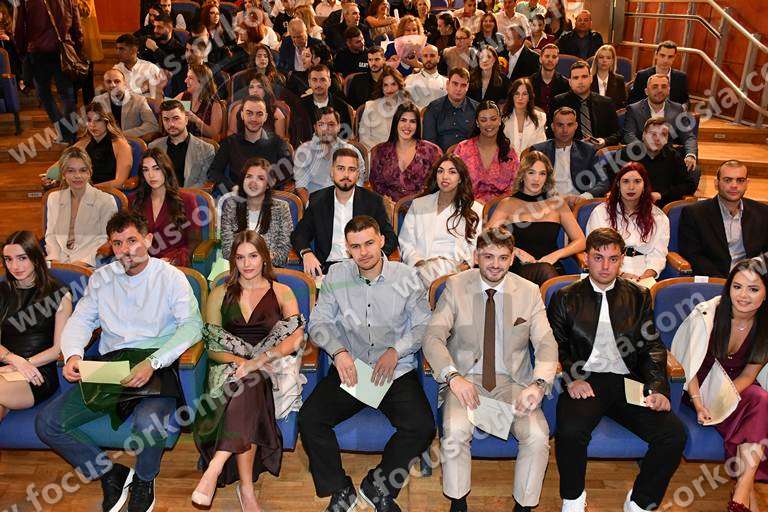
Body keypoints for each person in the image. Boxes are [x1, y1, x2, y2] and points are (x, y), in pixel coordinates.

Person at [35, 210, 203, 512]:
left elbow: (192, 326)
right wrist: (73, 353)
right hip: (111, 365)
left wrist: (153, 362)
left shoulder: (171, 278)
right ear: (111, 246)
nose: (126, 250)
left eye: (132, 240)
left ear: (148, 240)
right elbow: (81, 320)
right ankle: (110, 473)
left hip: (155, 362)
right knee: (48, 423)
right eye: (117, 243)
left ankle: (144, 479)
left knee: (148, 424)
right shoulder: (101, 278)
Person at [297, 215, 435, 512]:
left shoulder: (407, 277)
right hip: (353, 369)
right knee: (309, 419)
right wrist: (339, 352)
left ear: (382, 241)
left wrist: (396, 351)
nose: (364, 252)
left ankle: (378, 488)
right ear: (347, 249)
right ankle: (340, 489)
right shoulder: (337, 275)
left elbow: (424, 325)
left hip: (394, 371)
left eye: (369, 243)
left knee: (422, 426)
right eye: (356, 246)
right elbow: (318, 323)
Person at [547, 227, 687, 512]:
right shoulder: (565, 296)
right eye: (598, 258)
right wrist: (572, 378)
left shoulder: (638, 295)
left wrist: (658, 388)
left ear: (622, 259)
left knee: (673, 434)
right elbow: (555, 345)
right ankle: (574, 499)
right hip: (586, 379)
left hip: (627, 381)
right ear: (586, 258)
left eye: (613, 259)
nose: (605, 266)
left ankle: (640, 502)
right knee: (570, 431)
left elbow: (652, 346)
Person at [424, 224, 556, 512]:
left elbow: (546, 343)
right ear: (476, 256)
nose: (495, 264)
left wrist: (538, 385)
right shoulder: (456, 286)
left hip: (513, 384)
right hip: (466, 381)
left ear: (512, 258)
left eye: (503, 257)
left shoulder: (529, 292)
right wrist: (453, 377)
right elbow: (433, 337)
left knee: (537, 435)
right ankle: (458, 502)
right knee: (455, 429)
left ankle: (524, 506)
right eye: (488, 257)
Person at [191, 231, 305, 510]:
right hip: (227, 369)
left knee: (252, 380)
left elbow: (296, 338)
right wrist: (241, 362)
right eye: (240, 257)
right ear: (233, 261)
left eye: (253, 256)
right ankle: (246, 489)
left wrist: (260, 359)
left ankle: (215, 467)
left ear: (264, 257)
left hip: (269, 366)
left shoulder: (283, 292)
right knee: (249, 384)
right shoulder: (219, 294)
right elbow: (213, 347)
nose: (247, 263)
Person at [671, 258, 768, 512]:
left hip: (733, 388)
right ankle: (746, 494)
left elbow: (749, 374)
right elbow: (687, 364)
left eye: (753, 289)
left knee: (761, 400)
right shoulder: (708, 314)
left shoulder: (765, 326)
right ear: (728, 288)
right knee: (756, 418)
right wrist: (700, 404)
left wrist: (723, 399)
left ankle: (742, 490)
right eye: (737, 287)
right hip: (696, 387)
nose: (743, 296)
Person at [0, 231, 73, 421]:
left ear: (35, 257)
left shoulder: (59, 294)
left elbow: (58, 350)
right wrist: (14, 360)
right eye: (8, 259)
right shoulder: (2, 291)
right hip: (6, 365)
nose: (15, 266)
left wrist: (24, 364)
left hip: (38, 371)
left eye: (22, 258)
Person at [291, 148, 397, 276]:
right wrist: (306, 253)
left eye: (351, 169)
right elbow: (299, 234)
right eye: (340, 168)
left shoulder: (373, 201)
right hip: (327, 269)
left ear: (358, 174)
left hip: (362, 266)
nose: (346, 174)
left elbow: (389, 237)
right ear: (332, 172)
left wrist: (373, 259)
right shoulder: (318, 200)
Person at [487, 150, 586, 285]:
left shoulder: (557, 204)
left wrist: (555, 255)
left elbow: (581, 241)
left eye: (542, 173)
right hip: (517, 269)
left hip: (551, 266)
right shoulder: (507, 204)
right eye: (531, 172)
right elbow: (486, 239)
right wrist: (514, 251)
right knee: (546, 272)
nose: (536, 179)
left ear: (547, 177)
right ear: (522, 175)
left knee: (547, 270)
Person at [398, 154, 483, 285]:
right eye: (440, 171)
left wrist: (459, 270)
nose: (445, 176)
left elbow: (475, 247)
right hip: (420, 270)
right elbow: (406, 242)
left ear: (460, 178)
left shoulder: (474, 209)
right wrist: (419, 265)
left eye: (452, 172)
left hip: (456, 273)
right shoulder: (419, 205)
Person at [679, 160, 768, 278]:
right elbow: (693, 255)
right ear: (716, 183)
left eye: (740, 180)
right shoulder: (694, 213)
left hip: (752, 279)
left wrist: (752, 276)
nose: (734, 185)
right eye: (727, 180)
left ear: (747, 183)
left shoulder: (762, 212)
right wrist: (726, 282)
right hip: (714, 280)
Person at [586, 163, 669, 288]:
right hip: (609, 272)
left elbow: (658, 254)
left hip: (644, 273)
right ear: (618, 185)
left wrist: (646, 276)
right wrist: (621, 274)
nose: (631, 187)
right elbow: (597, 251)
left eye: (637, 181)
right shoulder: (601, 212)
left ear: (644, 185)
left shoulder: (658, 217)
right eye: (625, 181)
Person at [14, 0, 83, 144]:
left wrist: (22, 51)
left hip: (38, 51)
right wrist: (76, 48)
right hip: (63, 50)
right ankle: (70, 134)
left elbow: (18, 29)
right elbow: (77, 27)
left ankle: (64, 132)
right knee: (67, 94)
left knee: (44, 94)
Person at [44, 147, 118, 266]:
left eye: (83, 170)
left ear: (89, 173)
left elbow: (105, 240)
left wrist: (83, 263)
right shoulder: (53, 198)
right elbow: (50, 235)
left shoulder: (106, 201)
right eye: (71, 171)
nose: (77, 176)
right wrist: (55, 260)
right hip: (58, 261)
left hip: (91, 264)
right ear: (63, 174)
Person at [208, 96, 293, 192]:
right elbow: (213, 172)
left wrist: (266, 185)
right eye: (249, 113)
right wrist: (233, 187)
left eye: (259, 114)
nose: (254, 119)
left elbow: (289, 171)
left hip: (268, 195)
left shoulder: (278, 143)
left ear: (265, 117)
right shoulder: (230, 142)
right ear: (242, 115)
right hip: (238, 195)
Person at [131, 149, 200, 266]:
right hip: (144, 264)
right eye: (146, 170)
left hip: (176, 264)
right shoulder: (135, 200)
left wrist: (175, 260)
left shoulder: (187, 199)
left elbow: (194, 242)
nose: (151, 175)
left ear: (166, 169)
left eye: (156, 168)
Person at [219, 158, 293, 265]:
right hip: (239, 268)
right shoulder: (231, 207)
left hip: (269, 268)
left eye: (260, 178)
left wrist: (258, 261)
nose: (253, 182)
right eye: (249, 176)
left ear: (268, 184)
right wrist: (247, 262)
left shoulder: (281, 208)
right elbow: (227, 251)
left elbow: (283, 252)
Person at [44, 102, 133, 190]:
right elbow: (54, 170)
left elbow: (119, 182)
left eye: (98, 120)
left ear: (107, 121)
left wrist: (89, 189)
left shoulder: (121, 145)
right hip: (82, 191)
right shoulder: (82, 144)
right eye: (89, 120)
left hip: (109, 192)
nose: (92, 125)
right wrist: (50, 178)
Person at [623, 74, 698, 173]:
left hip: (668, 159)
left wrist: (690, 155)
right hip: (642, 157)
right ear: (646, 91)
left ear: (668, 90)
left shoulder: (678, 109)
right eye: (655, 87)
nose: (659, 90)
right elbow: (629, 135)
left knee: (694, 171)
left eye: (664, 87)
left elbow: (688, 137)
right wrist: (646, 150)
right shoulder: (634, 109)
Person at [369, 102, 442, 202]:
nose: (407, 126)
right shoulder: (381, 151)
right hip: (388, 207)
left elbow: (438, 184)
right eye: (403, 120)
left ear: (417, 125)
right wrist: (387, 203)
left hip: (422, 206)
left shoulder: (432, 151)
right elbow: (375, 184)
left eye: (412, 121)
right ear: (396, 122)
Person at [617, 118, 697, 207]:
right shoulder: (626, 154)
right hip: (628, 205)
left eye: (663, 135)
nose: (657, 139)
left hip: (662, 207)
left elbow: (689, 185)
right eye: (653, 134)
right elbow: (614, 181)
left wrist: (661, 195)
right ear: (644, 135)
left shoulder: (674, 157)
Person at [294, 107, 367, 200]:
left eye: (331, 124)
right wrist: (312, 206)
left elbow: (359, 183)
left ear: (339, 127)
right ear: (315, 128)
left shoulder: (352, 152)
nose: (326, 129)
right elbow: (301, 187)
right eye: (321, 124)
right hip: (315, 202)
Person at [453, 100, 519, 203]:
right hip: (467, 205)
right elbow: (453, 182)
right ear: (477, 123)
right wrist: (472, 203)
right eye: (483, 120)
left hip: (500, 208)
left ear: (500, 120)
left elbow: (515, 187)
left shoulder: (509, 153)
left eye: (493, 119)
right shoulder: (463, 148)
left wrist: (492, 205)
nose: (489, 124)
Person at [549, 60, 620, 149]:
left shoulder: (606, 103)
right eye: (576, 78)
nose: (580, 81)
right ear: (570, 82)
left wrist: (604, 141)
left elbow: (617, 134)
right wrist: (577, 145)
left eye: (584, 77)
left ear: (591, 79)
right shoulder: (558, 102)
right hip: (569, 152)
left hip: (600, 152)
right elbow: (551, 134)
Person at [149, 99, 216, 188]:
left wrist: (182, 194)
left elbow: (204, 182)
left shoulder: (206, 149)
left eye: (176, 118)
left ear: (186, 120)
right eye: (166, 119)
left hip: (189, 194)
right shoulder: (154, 147)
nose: (171, 124)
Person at [92, 69, 160, 141]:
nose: (112, 85)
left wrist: (120, 134)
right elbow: (91, 124)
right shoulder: (97, 101)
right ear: (104, 84)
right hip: (104, 142)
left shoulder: (139, 100)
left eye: (117, 81)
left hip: (130, 141)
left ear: (124, 83)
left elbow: (152, 125)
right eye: (108, 82)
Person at [423, 68, 479, 152]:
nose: (458, 89)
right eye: (455, 84)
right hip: (440, 157)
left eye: (463, 85)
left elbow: (480, 140)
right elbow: (429, 142)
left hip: (469, 156)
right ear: (447, 84)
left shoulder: (476, 109)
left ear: (467, 87)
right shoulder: (434, 108)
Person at [358, 67, 412, 150]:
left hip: (402, 153)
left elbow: (413, 137)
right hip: (375, 152)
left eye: (393, 84)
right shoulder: (370, 106)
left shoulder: (408, 108)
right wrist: (381, 152)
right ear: (381, 87)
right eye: (385, 85)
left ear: (399, 86)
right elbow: (364, 138)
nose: (389, 89)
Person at [298, 64, 354, 143]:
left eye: (322, 80)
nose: (318, 84)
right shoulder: (300, 106)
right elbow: (298, 136)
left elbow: (346, 138)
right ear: (309, 82)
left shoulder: (342, 107)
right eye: (314, 80)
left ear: (329, 82)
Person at [629, 40, 689, 106]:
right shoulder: (642, 75)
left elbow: (685, 101)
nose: (665, 60)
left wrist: (683, 108)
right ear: (656, 55)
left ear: (674, 58)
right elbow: (633, 101)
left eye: (670, 57)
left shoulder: (681, 77)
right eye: (662, 55)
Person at [174, 63, 224, 139]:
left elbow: (214, 134)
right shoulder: (183, 96)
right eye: (187, 77)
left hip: (203, 143)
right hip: (182, 140)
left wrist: (197, 120)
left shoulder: (214, 104)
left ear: (202, 82)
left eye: (190, 78)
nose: (185, 81)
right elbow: (165, 109)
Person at [113, 33, 167, 101]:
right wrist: (141, 90)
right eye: (117, 49)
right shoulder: (116, 70)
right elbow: (116, 97)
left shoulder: (151, 69)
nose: (117, 52)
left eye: (121, 49)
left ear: (134, 50)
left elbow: (157, 101)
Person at [502, 77, 547, 156]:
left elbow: (540, 147)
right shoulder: (503, 119)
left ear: (530, 97)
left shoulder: (540, 118)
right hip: (507, 161)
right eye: (517, 93)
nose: (520, 98)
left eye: (524, 94)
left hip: (531, 161)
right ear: (512, 96)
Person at [137, 13, 185, 79]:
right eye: (155, 26)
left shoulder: (179, 49)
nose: (155, 30)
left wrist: (155, 49)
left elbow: (171, 66)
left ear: (169, 28)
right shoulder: (149, 40)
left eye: (159, 27)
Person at [528, 43, 570, 114]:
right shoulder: (529, 82)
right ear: (540, 59)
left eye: (554, 57)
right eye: (547, 56)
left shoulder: (565, 84)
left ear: (557, 60)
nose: (550, 60)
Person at [404, 44, 447, 109]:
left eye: (432, 56)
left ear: (438, 58)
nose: (428, 59)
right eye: (425, 56)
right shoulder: (410, 79)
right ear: (421, 58)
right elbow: (406, 104)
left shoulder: (446, 82)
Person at [590, 44, 627, 109]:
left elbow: (622, 105)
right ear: (596, 60)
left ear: (612, 61)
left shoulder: (619, 80)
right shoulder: (588, 79)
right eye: (601, 57)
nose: (604, 60)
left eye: (608, 58)